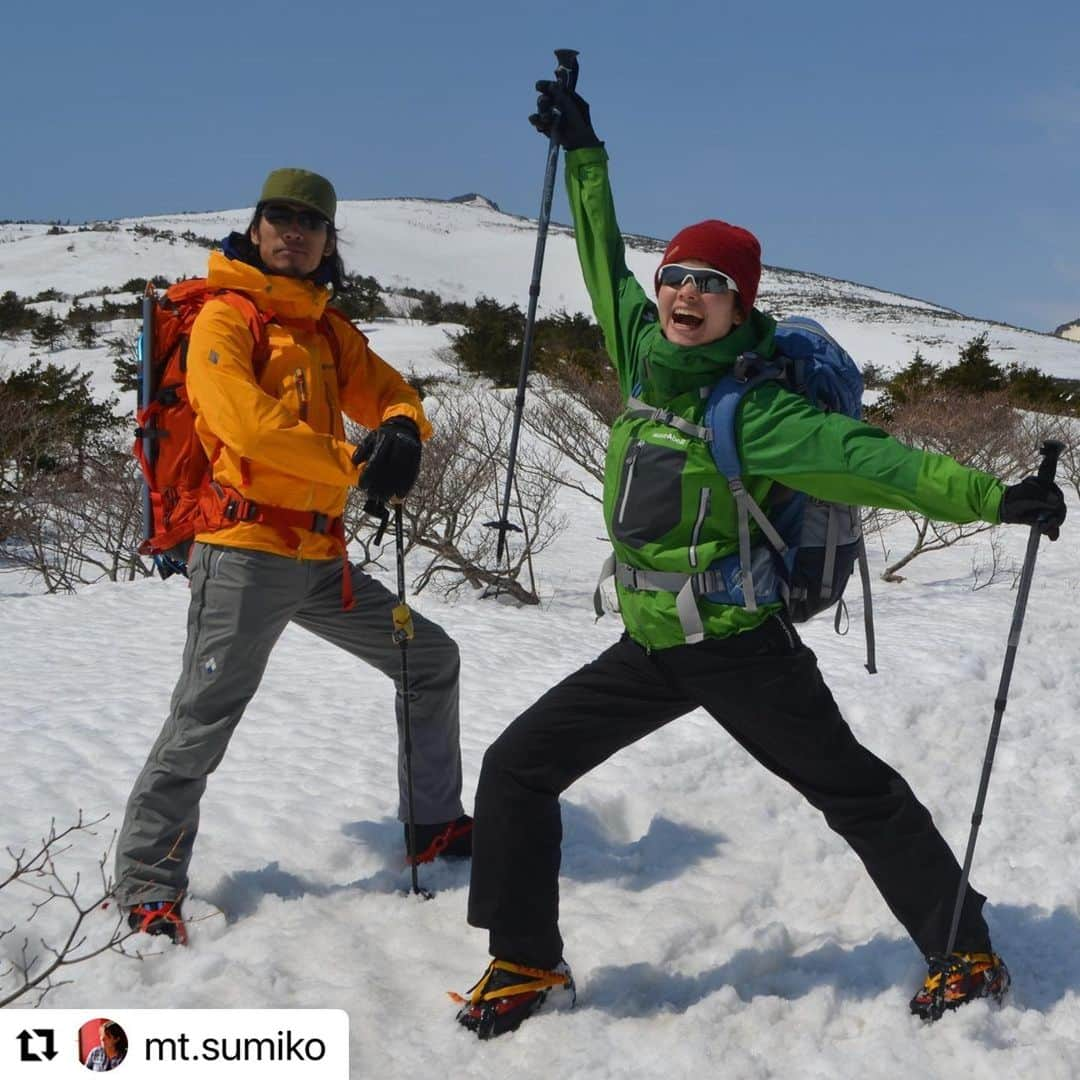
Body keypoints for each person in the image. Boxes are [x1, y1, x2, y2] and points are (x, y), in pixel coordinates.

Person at [454, 83, 1067, 1038]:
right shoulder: (641, 350)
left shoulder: (763, 413)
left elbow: (881, 465)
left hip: (740, 646)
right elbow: (596, 251)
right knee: (517, 768)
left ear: (742, 306)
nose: (684, 294)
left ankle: (966, 947)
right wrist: (586, 153)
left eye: (710, 284)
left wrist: (996, 498)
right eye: (677, 277)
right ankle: (525, 959)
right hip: (653, 640)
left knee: (854, 792)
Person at [115, 168, 471, 944]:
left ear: (328, 241)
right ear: (256, 226)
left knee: (429, 659)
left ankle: (433, 823)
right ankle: (146, 884)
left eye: (310, 223)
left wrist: (404, 427)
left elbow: (387, 390)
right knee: (204, 716)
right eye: (280, 218)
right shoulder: (224, 317)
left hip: (320, 556)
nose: (294, 232)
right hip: (243, 553)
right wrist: (355, 464)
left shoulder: (323, 328)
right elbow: (244, 423)